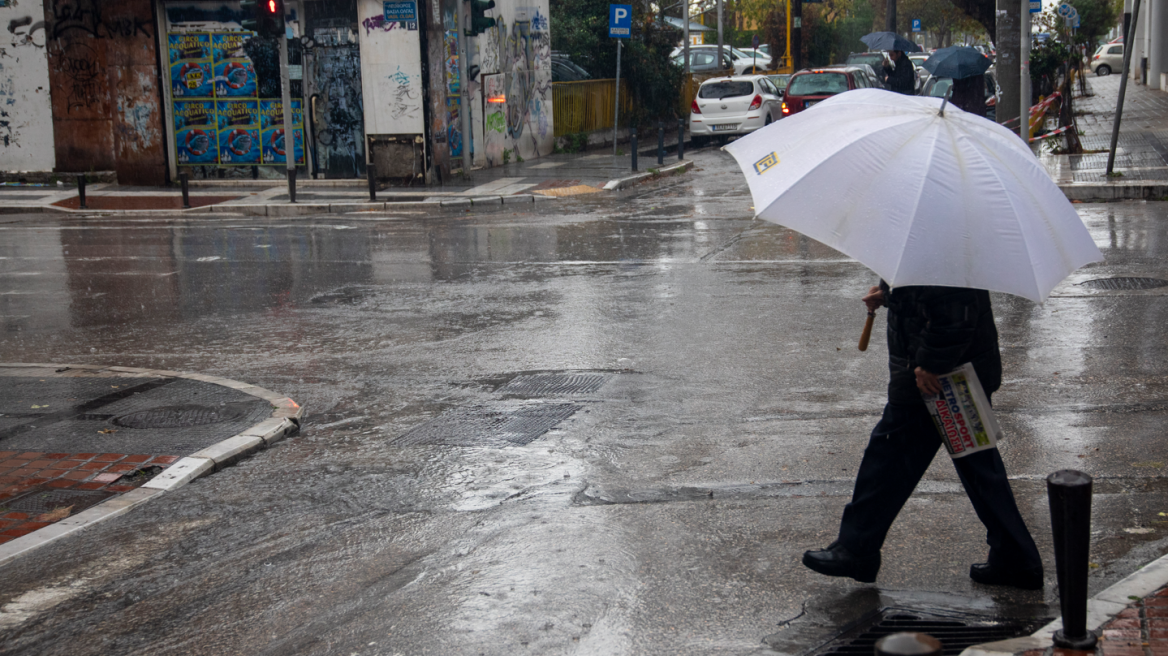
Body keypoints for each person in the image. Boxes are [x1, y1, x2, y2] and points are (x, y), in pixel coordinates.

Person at [801, 281, 1044, 589]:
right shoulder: (935, 245)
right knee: (977, 465)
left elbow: (956, 308)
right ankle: (1015, 558)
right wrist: (889, 294)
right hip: (950, 374)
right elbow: (928, 295)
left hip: (938, 379)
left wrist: (931, 362)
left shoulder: (944, 248)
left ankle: (856, 548)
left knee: (888, 457)